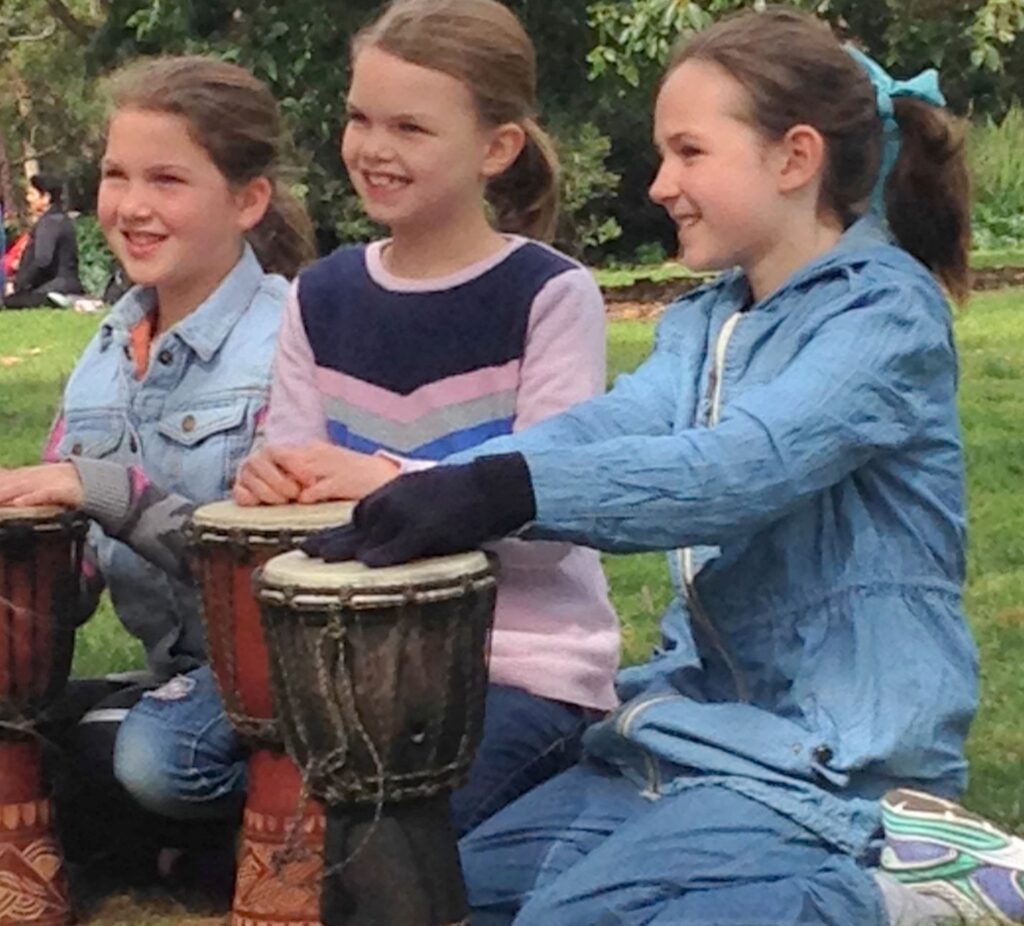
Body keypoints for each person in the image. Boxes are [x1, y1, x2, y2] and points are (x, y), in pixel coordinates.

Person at [299, 8, 994, 925]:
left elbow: (736, 469)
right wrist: (427, 486)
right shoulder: (707, 319)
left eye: (689, 153)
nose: (660, 183)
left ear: (794, 158)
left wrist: (499, 492)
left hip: (841, 756)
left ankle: (910, 884)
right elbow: (605, 428)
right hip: (691, 731)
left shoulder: (885, 317)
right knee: (436, 892)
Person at [223, 0, 620, 838]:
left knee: (385, 836)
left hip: (519, 667)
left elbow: (552, 518)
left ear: (497, 148)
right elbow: (296, 474)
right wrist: (271, 481)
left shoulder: (548, 293)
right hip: (341, 663)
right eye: (360, 118)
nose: (373, 148)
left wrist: (385, 481)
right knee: (180, 768)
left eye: (409, 126)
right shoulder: (319, 295)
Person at [0, 55, 314, 882]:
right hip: (174, 680)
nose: (132, 206)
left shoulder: (296, 338)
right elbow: (75, 572)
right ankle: (173, 842)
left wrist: (104, 494)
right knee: (53, 732)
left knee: (152, 761)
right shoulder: (99, 360)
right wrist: (27, 564)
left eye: (168, 179)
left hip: (291, 682)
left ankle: (242, 836)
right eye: (116, 174)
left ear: (248, 200)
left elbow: (278, 562)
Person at [3, 173, 83, 309]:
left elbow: (42, 261)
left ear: (46, 198)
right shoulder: (60, 220)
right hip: (64, 286)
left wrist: (19, 286)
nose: (28, 199)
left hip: (53, 290)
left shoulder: (49, 223)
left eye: (32, 194)